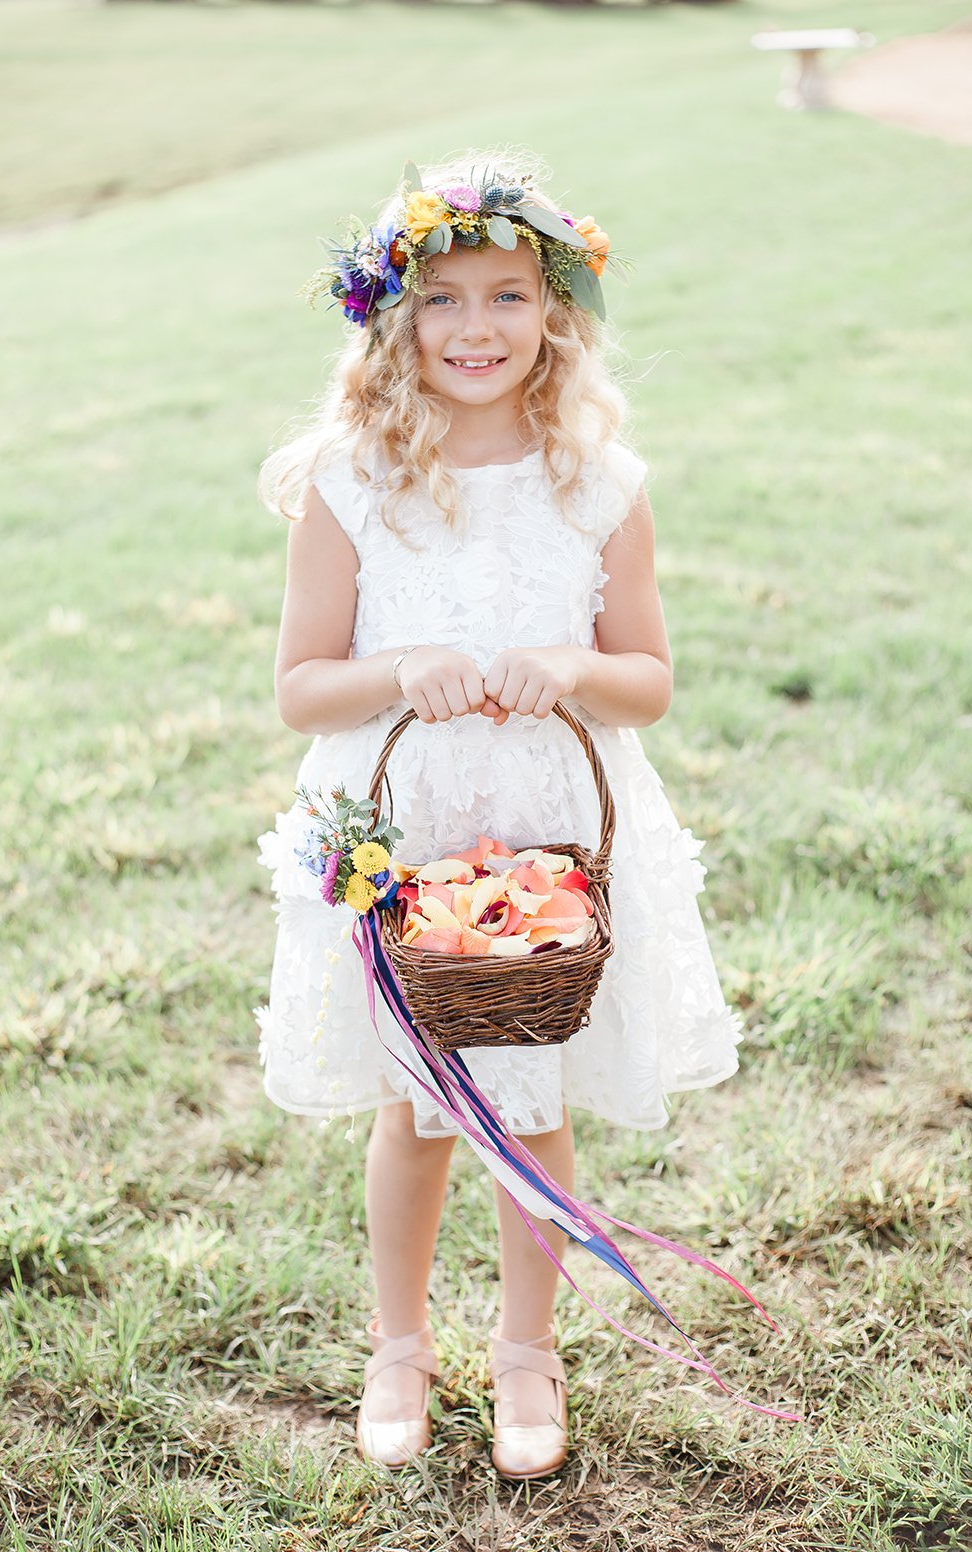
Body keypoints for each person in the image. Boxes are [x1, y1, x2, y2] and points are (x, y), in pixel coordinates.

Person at [254, 149, 745, 1480]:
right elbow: (303, 687)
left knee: (534, 1100)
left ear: (556, 311)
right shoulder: (350, 480)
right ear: (396, 318)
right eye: (444, 299)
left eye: (508, 296)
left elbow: (647, 683)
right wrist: (407, 671)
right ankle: (399, 1343)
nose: (476, 328)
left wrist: (575, 670)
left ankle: (530, 1352)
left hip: (551, 839)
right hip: (403, 834)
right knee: (416, 1111)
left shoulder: (602, 484)